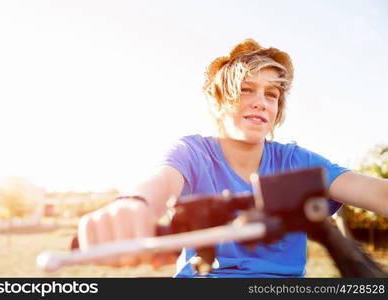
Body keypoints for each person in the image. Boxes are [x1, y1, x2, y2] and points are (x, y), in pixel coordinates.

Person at [77, 39, 388, 278]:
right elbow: (158, 182)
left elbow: (377, 192)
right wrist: (132, 204)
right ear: (218, 101)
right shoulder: (193, 152)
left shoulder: (297, 160)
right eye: (245, 90)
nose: (260, 103)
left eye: (271, 95)